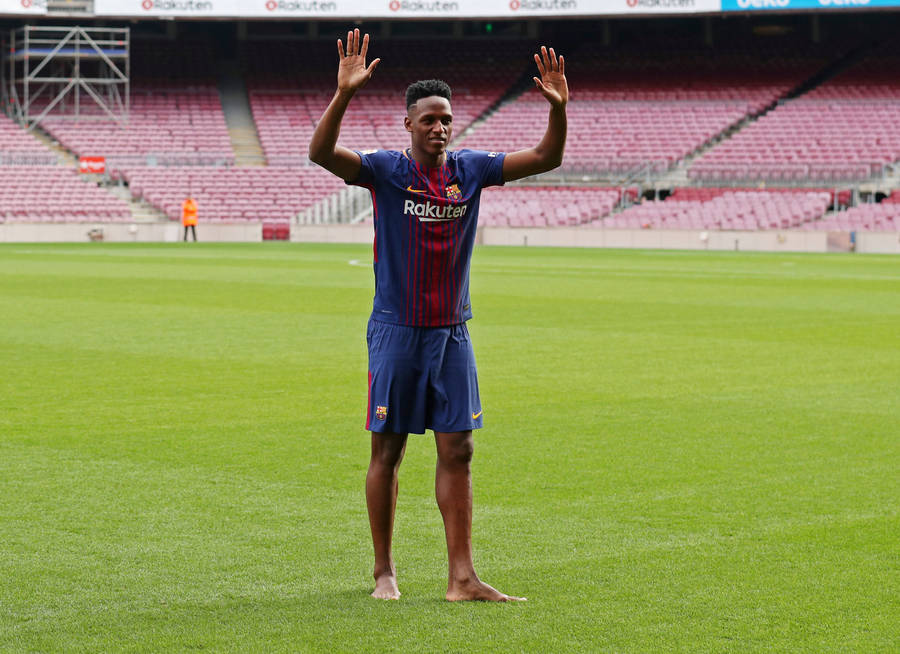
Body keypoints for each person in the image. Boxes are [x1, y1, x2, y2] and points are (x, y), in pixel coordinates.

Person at [308, 29, 567, 602]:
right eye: (427, 118)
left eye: (445, 118)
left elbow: (548, 157)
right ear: (409, 125)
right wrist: (344, 94)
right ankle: (384, 572)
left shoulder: (471, 170)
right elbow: (321, 154)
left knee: (459, 449)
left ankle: (462, 577)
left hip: (453, 333)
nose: (439, 126)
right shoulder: (384, 170)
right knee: (388, 449)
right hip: (397, 331)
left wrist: (558, 110)